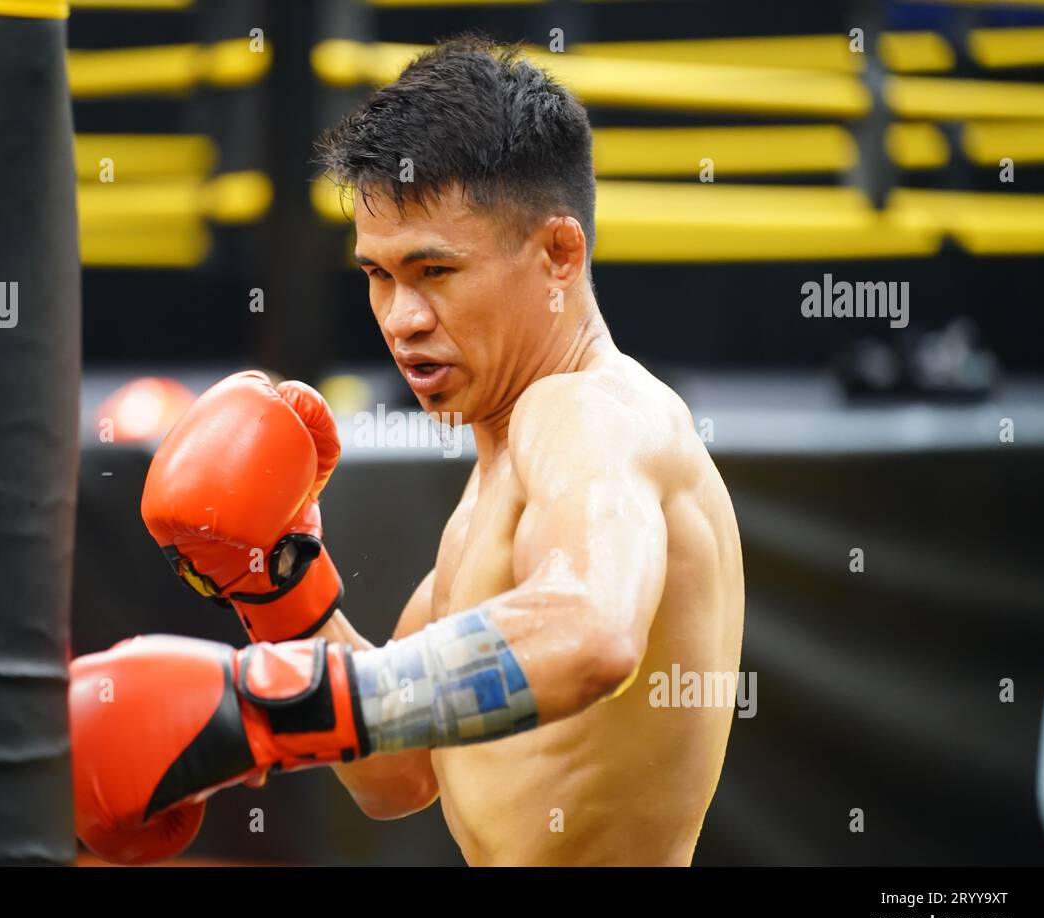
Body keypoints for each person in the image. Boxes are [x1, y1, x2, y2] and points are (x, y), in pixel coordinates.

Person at [70, 35, 744, 867]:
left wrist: (258, 708)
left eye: (435, 270)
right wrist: (279, 591)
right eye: (380, 275)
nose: (401, 318)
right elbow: (393, 774)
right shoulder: (504, 467)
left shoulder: (590, 414)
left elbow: (589, 631)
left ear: (559, 255)